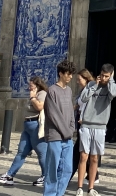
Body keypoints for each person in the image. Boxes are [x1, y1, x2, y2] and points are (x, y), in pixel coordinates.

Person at [0, 76, 48, 187]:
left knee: (41, 152)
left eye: (31, 85)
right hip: (27, 126)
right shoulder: (33, 94)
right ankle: (9, 175)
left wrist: (33, 98)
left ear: (37, 85)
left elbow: (40, 106)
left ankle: (46, 176)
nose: (29, 88)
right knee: (21, 151)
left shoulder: (42, 93)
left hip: (36, 125)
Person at [76, 64, 116, 196]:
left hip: (100, 126)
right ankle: (79, 187)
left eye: (107, 76)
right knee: (84, 156)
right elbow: (83, 98)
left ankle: (91, 188)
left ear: (111, 75)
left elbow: (114, 93)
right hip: (86, 125)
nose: (104, 78)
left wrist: (111, 80)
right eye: (102, 75)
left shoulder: (111, 86)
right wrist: (95, 85)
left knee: (94, 158)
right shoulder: (91, 85)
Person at [43, 60, 77, 196]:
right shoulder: (52, 90)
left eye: (71, 74)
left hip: (68, 137)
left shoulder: (69, 90)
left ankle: (59, 193)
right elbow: (54, 115)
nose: (70, 77)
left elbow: (70, 112)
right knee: (52, 169)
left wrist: (72, 127)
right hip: (55, 136)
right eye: (68, 74)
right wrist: (67, 131)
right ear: (61, 74)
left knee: (67, 169)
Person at [72, 69, 94, 195]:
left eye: (79, 79)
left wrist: (85, 118)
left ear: (86, 78)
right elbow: (80, 104)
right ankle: (92, 175)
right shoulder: (82, 90)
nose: (77, 81)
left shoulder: (90, 90)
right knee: (83, 153)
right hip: (81, 123)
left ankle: (69, 176)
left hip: (86, 124)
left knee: (82, 153)